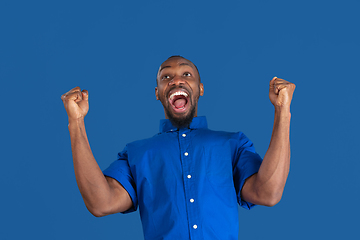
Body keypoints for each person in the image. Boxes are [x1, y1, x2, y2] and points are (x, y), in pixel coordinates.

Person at [61, 56, 296, 240]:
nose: (176, 80)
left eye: (186, 73)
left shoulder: (232, 144)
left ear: (200, 88)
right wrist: (76, 122)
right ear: (157, 94)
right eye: (166, 77)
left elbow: (268, 193)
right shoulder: (137, 153)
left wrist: (282, 111)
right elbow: (100, 203)